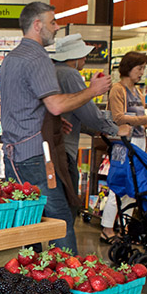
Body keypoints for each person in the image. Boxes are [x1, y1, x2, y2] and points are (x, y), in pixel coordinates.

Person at [0, 2, 111, 253]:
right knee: (59, 219)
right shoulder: (38, 57)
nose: (57, 26)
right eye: (52, 22)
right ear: (37, 25)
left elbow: (18, 104)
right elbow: (57, 104)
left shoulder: (12, 58)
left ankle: (30, 277)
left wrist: (48, 120)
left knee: (26, 219)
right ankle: (66, 281)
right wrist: (92, 90)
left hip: (14, 154)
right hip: (36, 155)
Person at [100, 51, 147, 243]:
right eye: (139, 68)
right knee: (119, 184)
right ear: (128, 68)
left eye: (143, 68)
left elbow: (136, 119)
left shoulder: (138, 92)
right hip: (123, 144)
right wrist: (146, 118)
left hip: (139, 141)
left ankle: (123, 227)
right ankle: (107, 228)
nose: (142, 72)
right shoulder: (118, 90)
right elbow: (118, 117)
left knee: (134, 186)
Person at [50, 34, 118, 200]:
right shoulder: (70, 75)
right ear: (74, 57)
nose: (85, 59)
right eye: (83, 55)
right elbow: (86, 112)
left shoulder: (51, 71)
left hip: (49, 144)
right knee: (69, 200)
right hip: (64, 146)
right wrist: (114, 129)